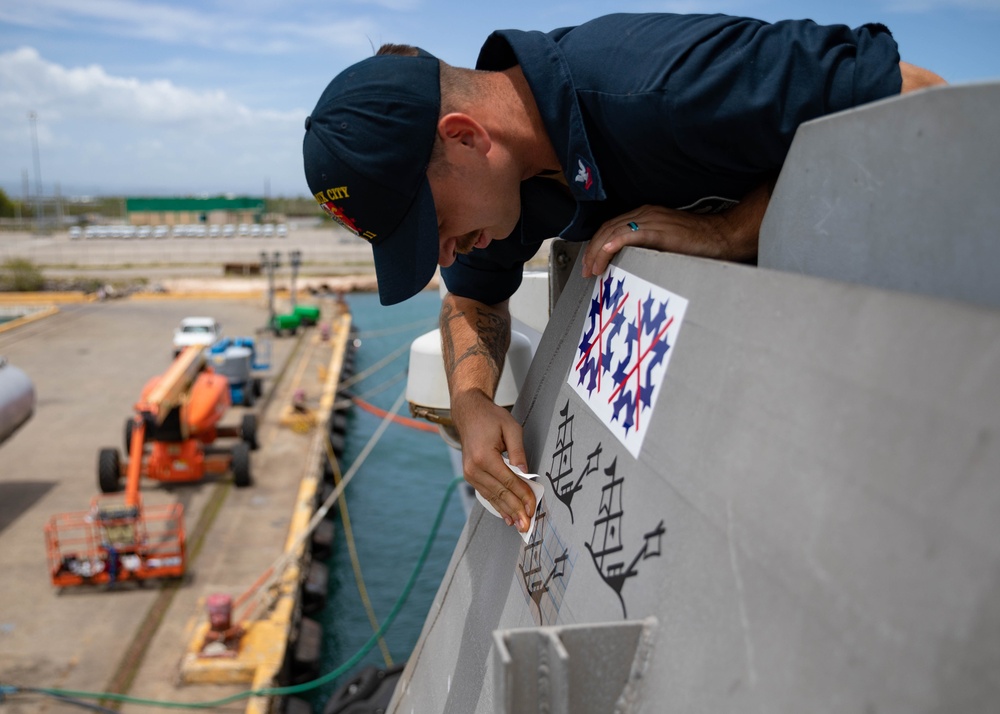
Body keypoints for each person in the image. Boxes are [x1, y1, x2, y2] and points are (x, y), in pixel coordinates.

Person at [302, 13, 945, 533]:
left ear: (466, 137)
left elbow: (917, 101)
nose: (445, 252)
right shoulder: (509, 186)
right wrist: (472, 401)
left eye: (433, 223)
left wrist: (730, 231)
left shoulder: (658, 83)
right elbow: (470, 299)